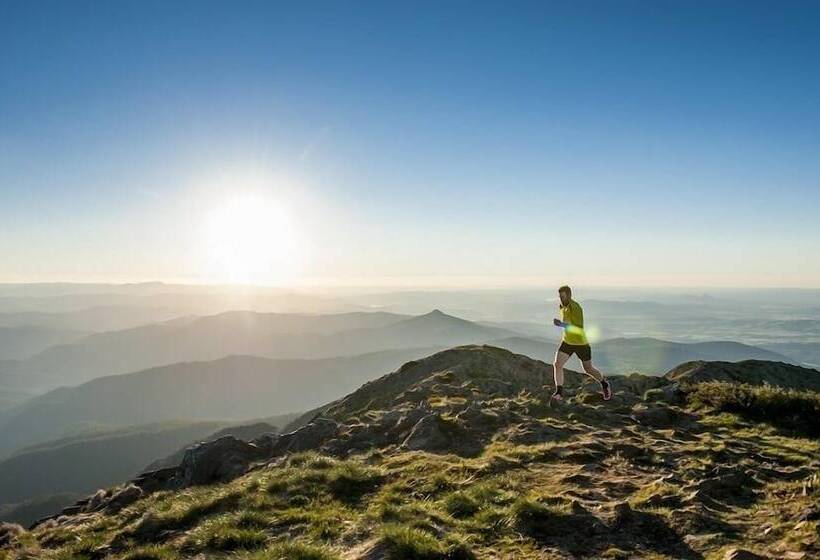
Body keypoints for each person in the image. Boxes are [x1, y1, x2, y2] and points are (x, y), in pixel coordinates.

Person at [551, 285, 612, 402]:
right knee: (557, 365)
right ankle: (559, 393)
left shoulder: (576, 307)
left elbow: (578, 328)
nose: (561, 299)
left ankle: (604, 384)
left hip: (581, 344)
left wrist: (561, 325)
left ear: (569, 295)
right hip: (567, 342)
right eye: (560, 297)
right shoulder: (561, 307)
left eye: (563, 297)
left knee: (588, 369)